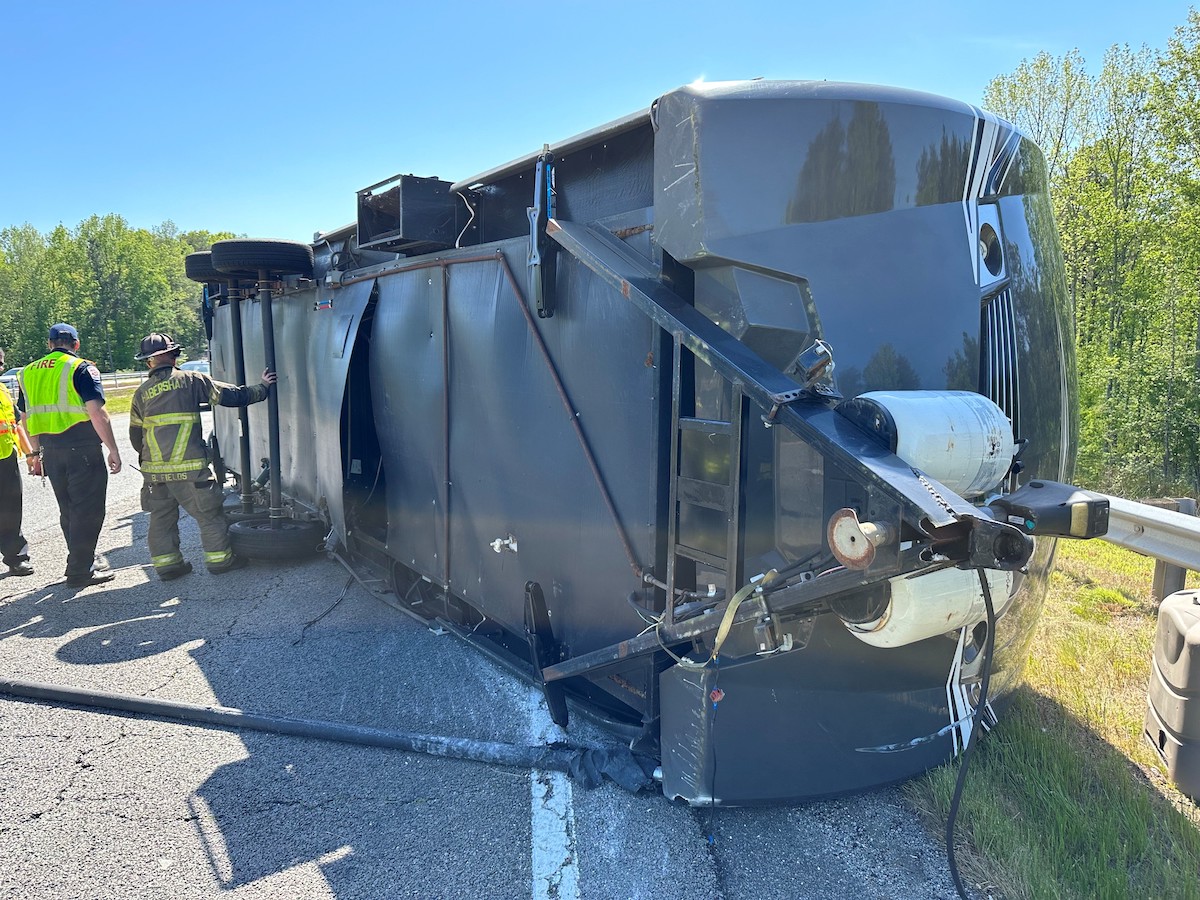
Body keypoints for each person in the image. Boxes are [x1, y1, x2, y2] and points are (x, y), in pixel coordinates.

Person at [129, 333, 276, 580]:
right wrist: (262, 388)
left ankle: (168, 566)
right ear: (173, 355)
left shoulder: (141, 393)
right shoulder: (191, 380)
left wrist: (150, 463)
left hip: (155, 473)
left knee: (161, 519)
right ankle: (220, 561)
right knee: (209, 514)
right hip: (190, 469)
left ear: (148, 361)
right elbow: (231, 396)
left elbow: (136, 436)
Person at [18, 323, 123, 587]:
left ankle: (82, 558)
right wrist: (113, 448)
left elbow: (25, 417)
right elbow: (97, 412)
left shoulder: (27, 372)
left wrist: (35, 452)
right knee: (88, 510)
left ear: (49, 344)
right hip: (82, 449)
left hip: (51, 451)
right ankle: (79, 569)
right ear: (76, 344)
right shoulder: (81, 368)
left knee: (68, 510)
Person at [0, 346, 34, 576]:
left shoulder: (2, 389)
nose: (1, 367)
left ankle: (16, 557)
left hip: (6, 457)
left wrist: (30, 453)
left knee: (11, 510)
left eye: (1, 363)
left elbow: (14, 424)